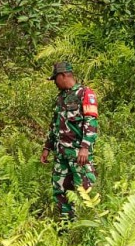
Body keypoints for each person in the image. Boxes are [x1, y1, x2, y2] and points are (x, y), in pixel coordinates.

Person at [40, 61, 99, 219]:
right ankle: (65, 223)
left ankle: (87, 223)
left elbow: (91, 121)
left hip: (78, 154)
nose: (55, 83)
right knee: (60, 189)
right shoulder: (60, 98)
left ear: (63, 76)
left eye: (56, 79)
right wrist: (47, 147)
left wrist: (85, 147)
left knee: (84, 189)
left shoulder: (85, 94)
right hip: (61, 154)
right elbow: (55, 125)